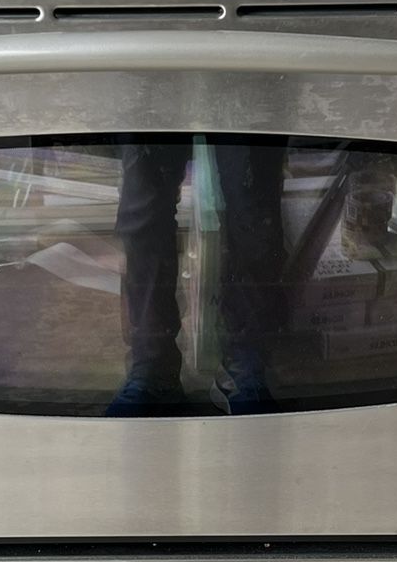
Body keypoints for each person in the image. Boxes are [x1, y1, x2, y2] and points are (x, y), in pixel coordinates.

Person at [106, 139, 286, 416]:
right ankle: (154, 371)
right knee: (143, 207)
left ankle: (242, 369)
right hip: (156, 95)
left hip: (248, 96)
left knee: (255, 212)